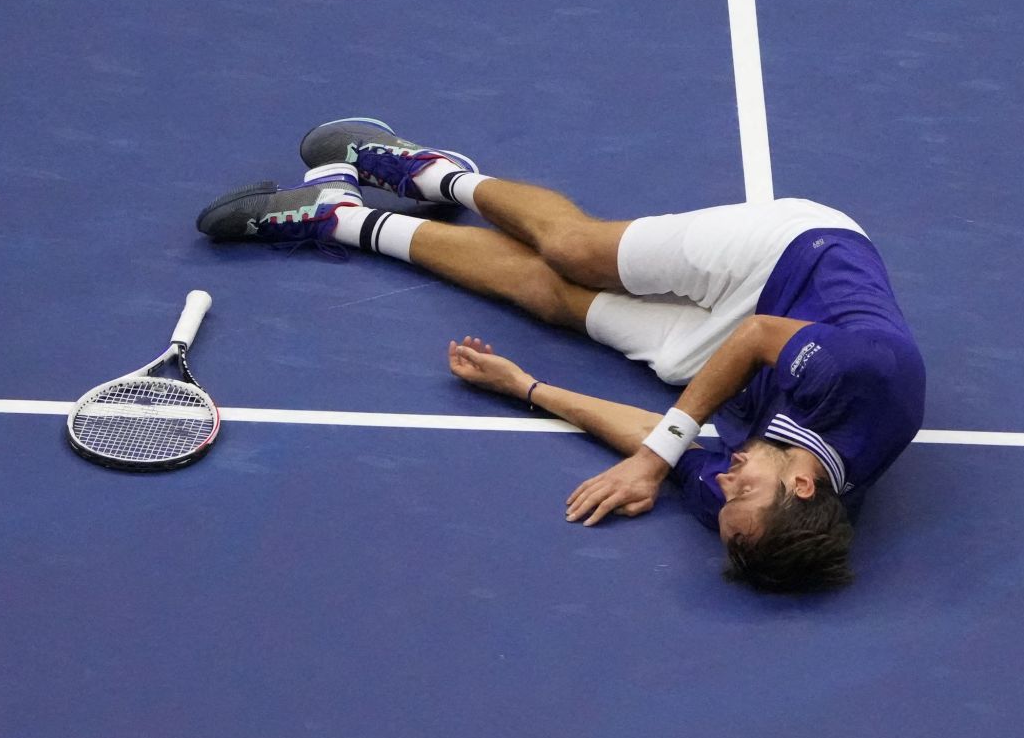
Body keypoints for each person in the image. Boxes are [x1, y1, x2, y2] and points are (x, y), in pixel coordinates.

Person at [197, 119, 926, 592]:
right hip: (790, 257)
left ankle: (344, 220)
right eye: (742, 486)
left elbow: (659, 444)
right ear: (802, 487)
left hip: (746, 367)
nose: (726, 478)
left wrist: (529, 387)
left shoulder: (755, 525)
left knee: (551, 300)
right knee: (576, 251)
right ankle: (433, 173)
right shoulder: (873, 383)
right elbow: (755, 337)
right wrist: (657, 456)